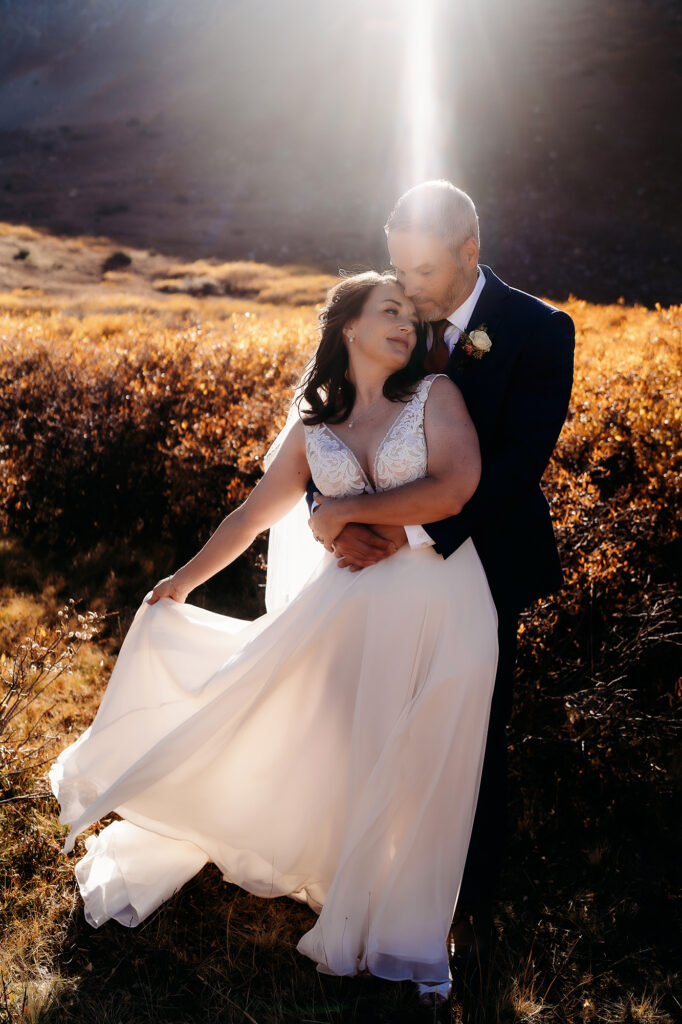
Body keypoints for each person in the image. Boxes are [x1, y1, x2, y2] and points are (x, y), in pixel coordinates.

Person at [49, 271, 499, 1011]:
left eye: (411, 317)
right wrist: (184, 581)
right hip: (349, 610)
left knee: (426, 763)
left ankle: (406, 936)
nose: (406, 326)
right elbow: (252, 518)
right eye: (388, 312)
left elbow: (455, 489)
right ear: (347, 327)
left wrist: (340, 512)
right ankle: (352, 901)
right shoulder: (313, 427)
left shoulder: (437, 397)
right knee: (347, 752)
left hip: (443, 601)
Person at [316, 181, 575, 962]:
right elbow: (338, 422)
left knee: (473, 736)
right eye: (398, 268)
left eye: (423, 272)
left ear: (470, 253)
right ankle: (369, 878)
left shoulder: (538, 329)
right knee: (361, 720)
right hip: (375, 572)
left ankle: (464, 912)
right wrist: (325, 517)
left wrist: (407, 526)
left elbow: (520, 463)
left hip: (482, 563)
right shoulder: (393, 318)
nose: (408, 289)